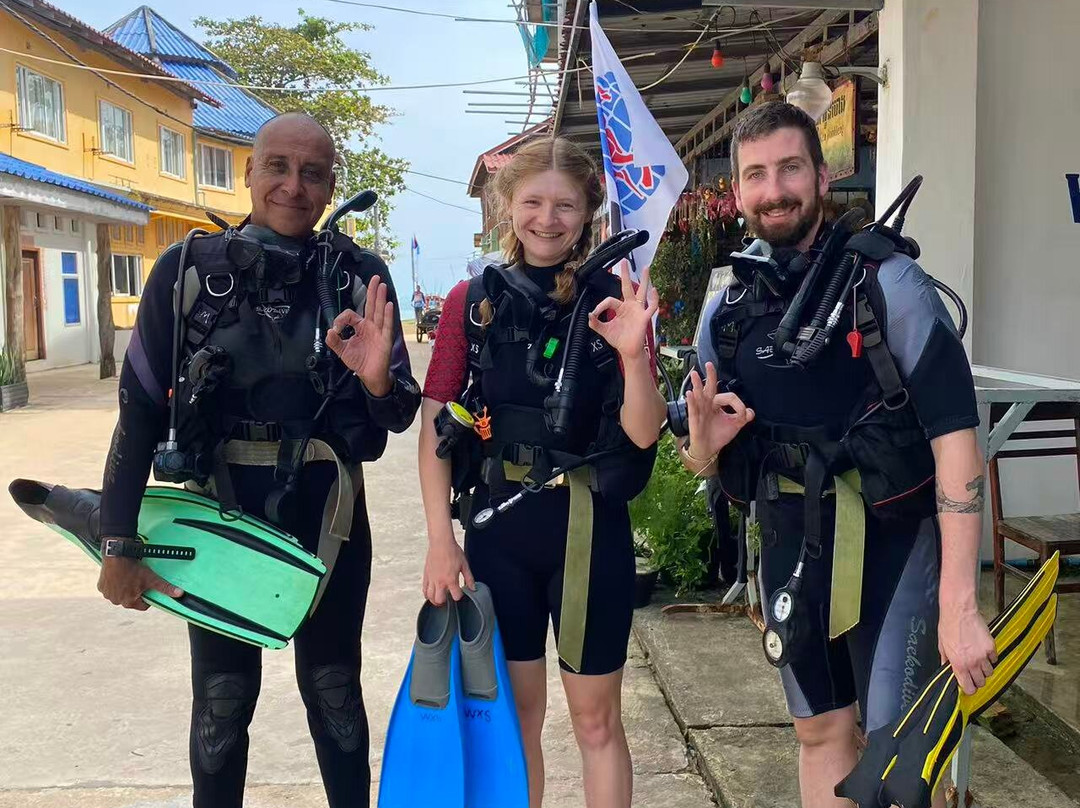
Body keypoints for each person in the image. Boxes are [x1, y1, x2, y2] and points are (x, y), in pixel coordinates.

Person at [95, 112, 421, 808]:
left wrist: (376, 380)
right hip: (220, 516)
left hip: (329, 516)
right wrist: (118, 540)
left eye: (311, 172)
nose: (293, 186)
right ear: (249, 172)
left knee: (334, 689)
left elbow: (395, 418)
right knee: (221, 699)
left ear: (332, 183)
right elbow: (140, 411)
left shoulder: (360, 277)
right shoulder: (186, 274)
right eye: (277, 166)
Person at [681, 102, 995, 808]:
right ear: (736, 192)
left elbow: (955, 443)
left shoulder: (889, 287)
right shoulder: (727, 308)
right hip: (792, 545)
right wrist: (706, 443)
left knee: (898, 764)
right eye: (756, 174)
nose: (775, 189)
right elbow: (699, 457)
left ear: (823, 177)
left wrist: (960, 603)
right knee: (820, 736)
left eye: (791, 167)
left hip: (894, 550)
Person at [417, 137, 666, 808]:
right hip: (500, 532)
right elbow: (435, 427)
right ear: (506, 206)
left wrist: (635, 355)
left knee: (596, 718)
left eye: (564, 205)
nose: (547, 219)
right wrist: (441, 542)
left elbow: (644, 432)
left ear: (588, 212)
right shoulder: (470, 302)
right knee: (518, 716)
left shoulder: (616, 297)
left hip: (588, 531)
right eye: (532, 202)